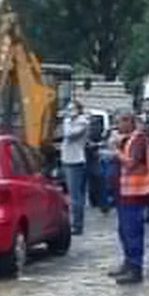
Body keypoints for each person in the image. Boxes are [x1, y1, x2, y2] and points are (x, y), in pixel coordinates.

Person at [111, 111, 149, 284]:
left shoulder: (138, 140)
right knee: (124, 231)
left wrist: (116, 151)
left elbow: (131, 163)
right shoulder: (129, 139)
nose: (119, 126)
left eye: (121, 122)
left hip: (135, 192)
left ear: (130, 122)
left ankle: (135, 269)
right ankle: (128, 264)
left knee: (132, 232)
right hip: (125, 192)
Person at [60, 100, 89, 235]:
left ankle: (77, 225)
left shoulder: (82, 122)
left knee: (75, 195)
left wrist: (66, 121)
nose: (69, 111)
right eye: (68, 108)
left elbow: (69, 134)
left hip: (75, 161)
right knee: (74, 194)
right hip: (68, 159)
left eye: (72, 109)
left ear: (78, 110)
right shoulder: (73, 121)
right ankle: (76, 223)